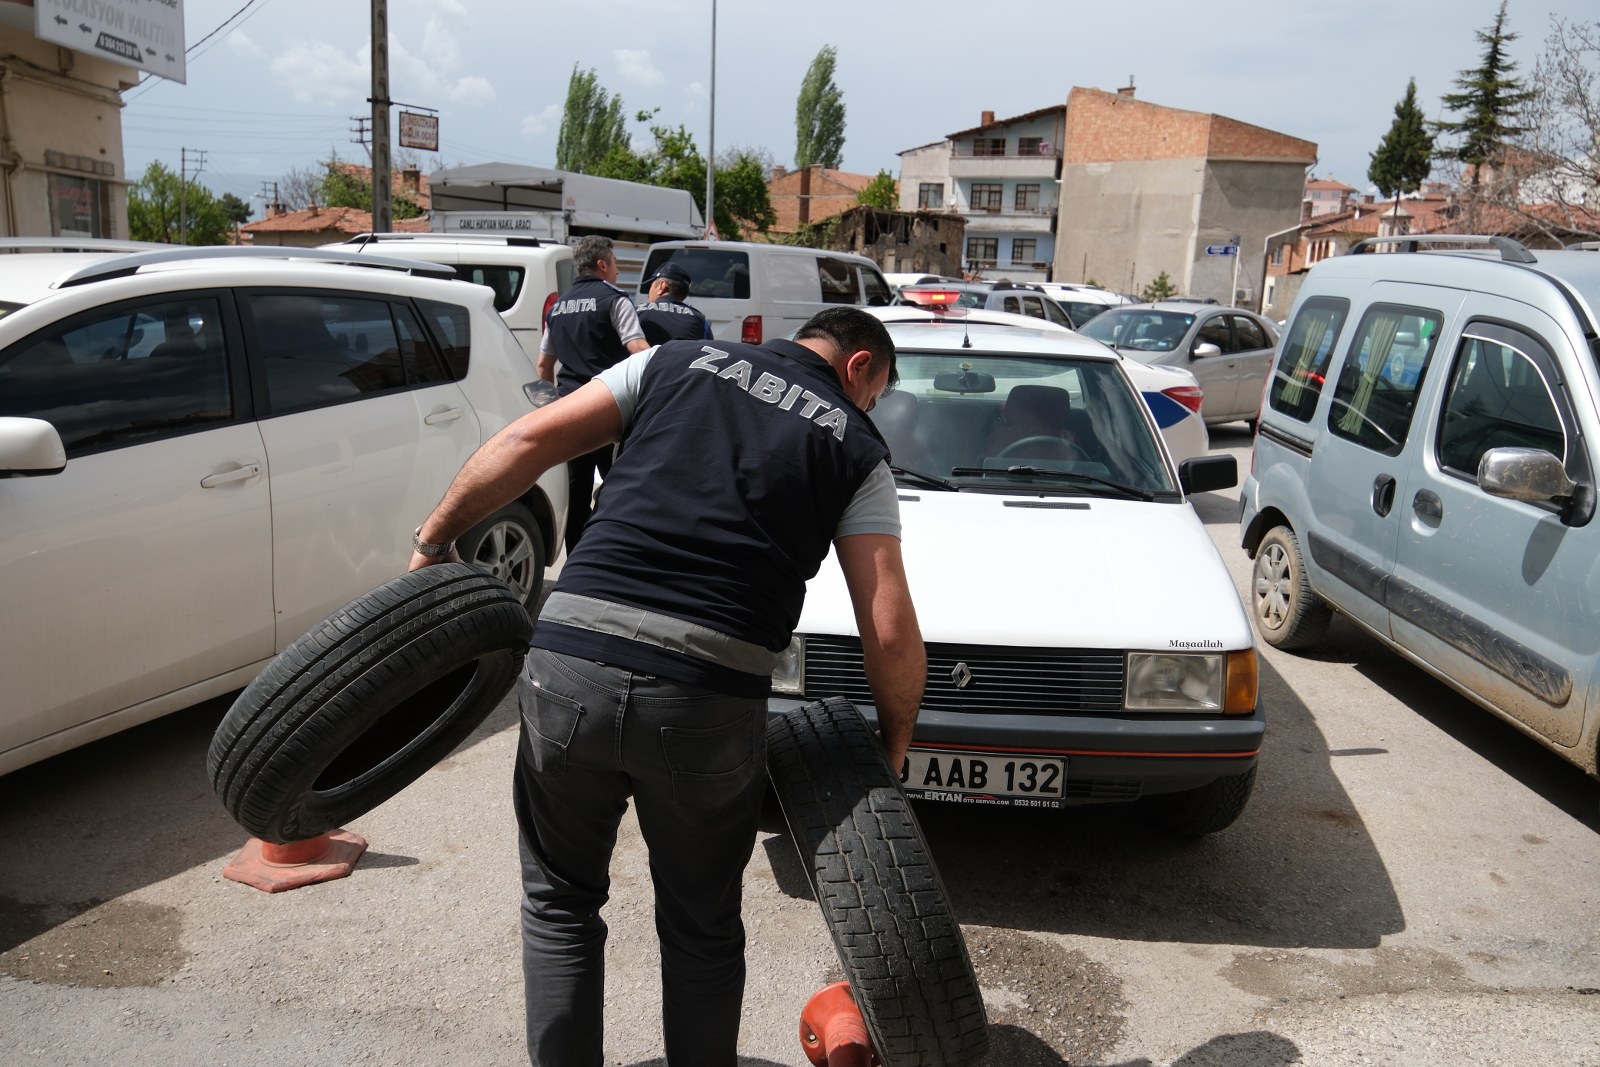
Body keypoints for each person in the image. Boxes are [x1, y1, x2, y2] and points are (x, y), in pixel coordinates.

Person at [408, 306, 925, 1067]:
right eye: (874, 392)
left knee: (559, 905)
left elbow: (526, 439)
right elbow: (886, 624)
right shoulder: (856, 446)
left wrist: (431, 544)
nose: (868, 408)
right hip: (706, 694)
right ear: (857, 367)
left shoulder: (673, 362)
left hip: (568, 661)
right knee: (700, 927)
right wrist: (894, 742)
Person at [538, 234, 650, 555]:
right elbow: (638, 350)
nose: (617, 271)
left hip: (569, 411)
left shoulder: (557, 308)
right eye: (615, 264)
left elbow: (544, 365)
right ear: (602, 264)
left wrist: (549, 407)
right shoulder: (614, 299)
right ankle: (615, 552)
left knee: (576, 491)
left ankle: (577, 558)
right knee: (620, 486)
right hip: (608, 409)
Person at [635, 261, 711, 345]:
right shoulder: (700, 319)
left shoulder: (636, 312)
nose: (648, 293)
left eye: (651, 286)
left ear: (662, 286)